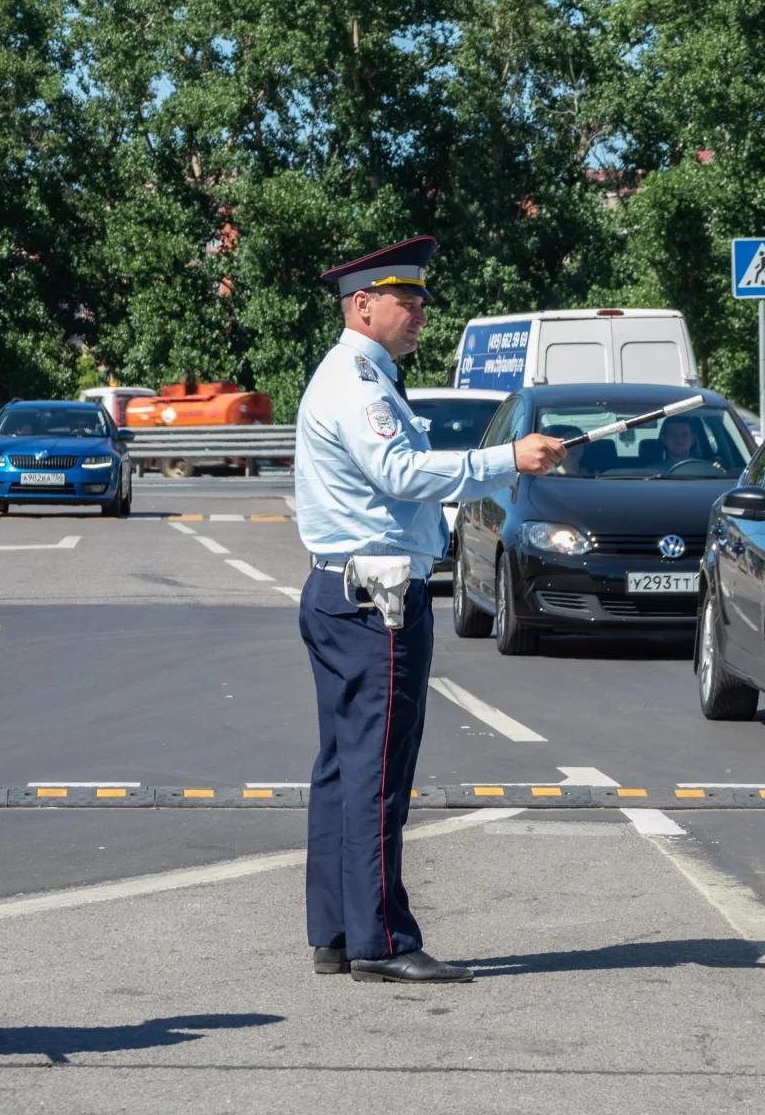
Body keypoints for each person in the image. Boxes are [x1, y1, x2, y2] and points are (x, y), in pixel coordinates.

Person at [294, 235, 564, 984]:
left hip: (345, 590)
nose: (418, 316)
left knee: (343, 771)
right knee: (376, 773)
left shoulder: (363, 375)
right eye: (405, 303)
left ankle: (339, 932)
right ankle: (382, 942)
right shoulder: (358, 381)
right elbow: (400, 470)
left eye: (419, 304)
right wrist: (507, 459)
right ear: (362, 305)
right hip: (371, 599)